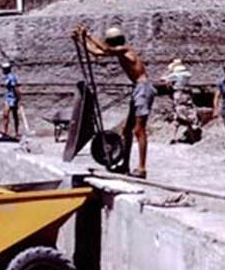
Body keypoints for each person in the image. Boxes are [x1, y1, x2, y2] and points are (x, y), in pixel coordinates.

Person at [72, 24, 154, 178]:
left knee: (139, 130)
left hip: (143, 89)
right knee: (127, 130)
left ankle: (142, 168)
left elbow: (104, 49)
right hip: (138, 89)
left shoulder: (125, 49)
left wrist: (88, 35)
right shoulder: (119, 52)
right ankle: (125, 165)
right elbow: (97, 52)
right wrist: (80, 40)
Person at [164, 60, 200, 144]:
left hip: (178, 96)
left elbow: (163, 79)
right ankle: (191, 138)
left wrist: (169, 71)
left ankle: (175, 138)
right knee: (182, 116)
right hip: (187, 96)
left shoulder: (175, 75)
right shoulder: (187, 75)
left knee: (181, 115)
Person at [1, 62, 21, 138]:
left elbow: (15, 88)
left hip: (13, 98)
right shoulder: (7, 77)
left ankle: (16, 132)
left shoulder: (11, 77)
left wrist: (18, 98)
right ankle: (5, 132)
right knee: (5, 115)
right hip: (8, 98)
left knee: (14, 115)